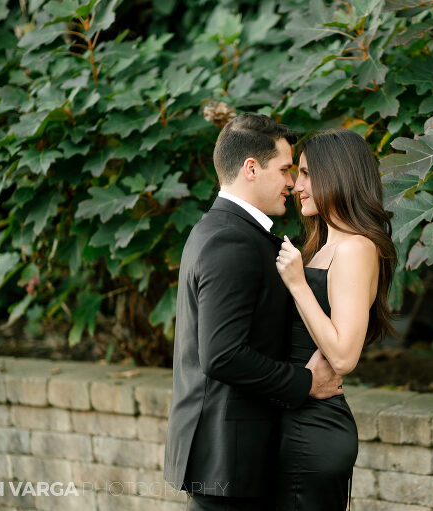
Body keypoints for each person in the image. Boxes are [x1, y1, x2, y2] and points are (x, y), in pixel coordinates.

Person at [162, 113, 344, 511]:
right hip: (229, 460)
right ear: (250, 168)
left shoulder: (222, 229)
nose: (292, 183)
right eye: (284, 169)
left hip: (230, 458)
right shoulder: (231, 240)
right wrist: (305, 383)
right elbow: (221, 354)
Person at [274, 129, 397, 511]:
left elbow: (344, 357)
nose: (297, 185)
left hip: (314, 429)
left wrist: (297, 284)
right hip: (296, 416)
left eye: (308, 174)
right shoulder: (323, 246)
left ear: (338, 174)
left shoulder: (357, 247)